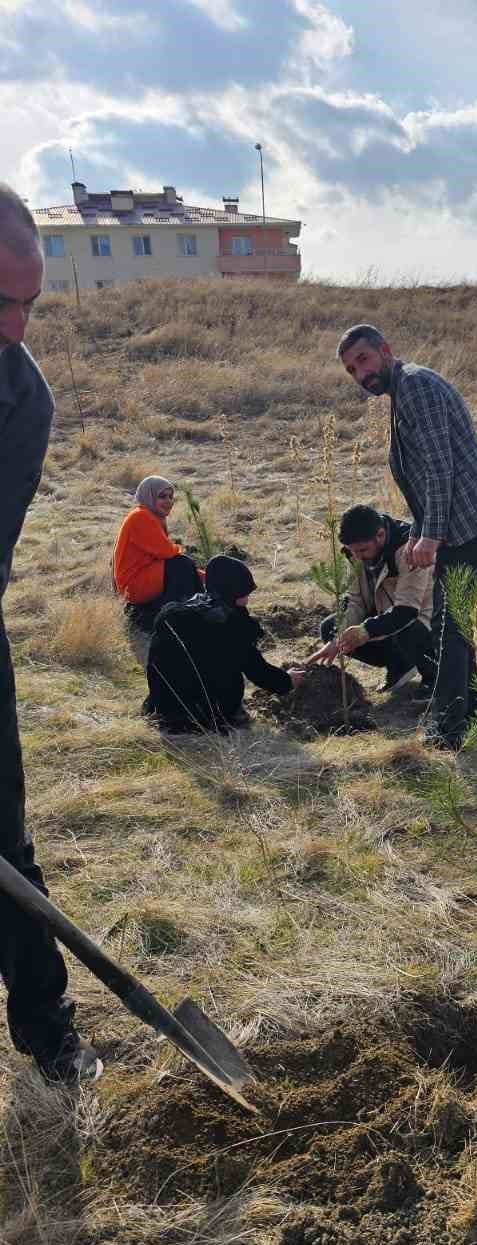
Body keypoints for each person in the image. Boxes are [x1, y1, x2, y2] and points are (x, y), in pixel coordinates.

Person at [0, 185, 99, 1083]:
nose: (16, 328)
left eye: (29, 303)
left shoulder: (22, 400)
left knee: (4, 839)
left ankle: (47, 1027)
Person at [338, 323, 477, 751]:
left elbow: (438, 467)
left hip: (464, 525)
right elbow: (424, 473)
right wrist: (419, 529)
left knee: (448, 626)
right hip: (458, 522)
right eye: (353, 370)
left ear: (385, 350)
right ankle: (468, 710)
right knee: (456, 621)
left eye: (364, 360)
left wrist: (430, 534)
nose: (361, 374)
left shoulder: (415, 386)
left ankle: (447, 730)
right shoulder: (403, 391)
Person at [143, 554, 303, 734]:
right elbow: (256, 670)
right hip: (206, 716)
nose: (247, 600)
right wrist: (287, 681)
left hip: (163, 708)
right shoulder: (228, 623)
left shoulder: (173, 611)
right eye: (245, 593)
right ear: (234, 591)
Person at [309, 504, 435, 694]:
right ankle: (399, 665)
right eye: (352, 551)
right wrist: (336, 641)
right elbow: (356, 602)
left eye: (362, 550)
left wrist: (365, 631)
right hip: (386, 618)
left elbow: (407, 611)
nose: (357, 557)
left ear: (381, 535)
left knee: (407, 629)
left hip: (424, 622)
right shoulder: (356, 553)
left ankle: (433, 678)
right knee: (329, 628)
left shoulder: (409, 549)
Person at [113, 476, 203, 631]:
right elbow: (167, 552)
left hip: (137, 582)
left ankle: (185, 614)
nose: (168, 501)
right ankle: (171, 619)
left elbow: (160, 556)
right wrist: (181, 553)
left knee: (182, 565)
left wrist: (198, 574)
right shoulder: (141, 516)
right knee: (180, 564)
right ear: (148, 496)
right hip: (133, 587)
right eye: (162, 496)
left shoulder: (149, 516)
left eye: (171, 497)